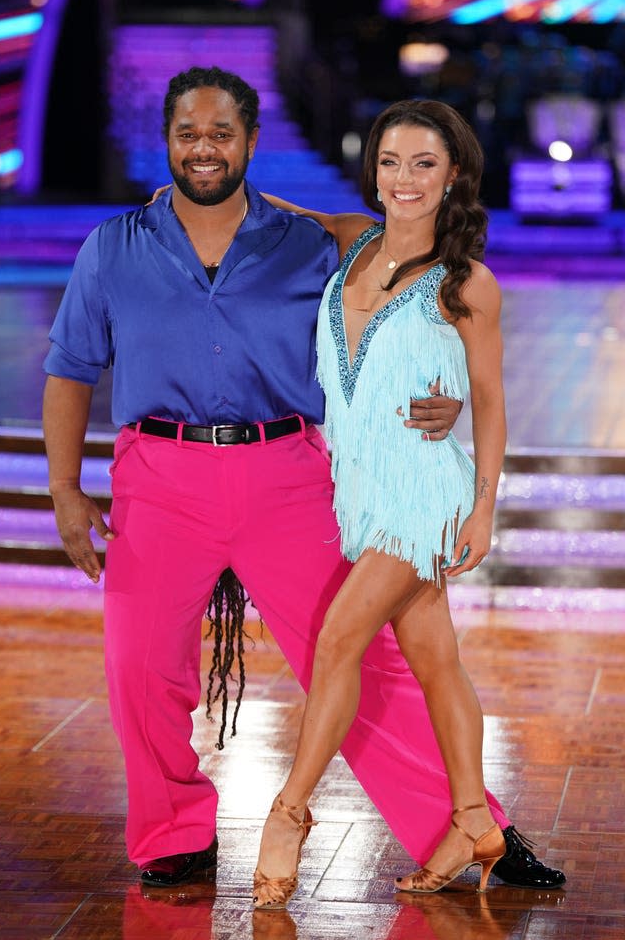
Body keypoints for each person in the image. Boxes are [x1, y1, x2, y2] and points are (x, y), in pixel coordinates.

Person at [42, 65, 564, 892]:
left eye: (222, 132)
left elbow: (425, 274)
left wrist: (449, 388)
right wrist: (65, 489)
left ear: (251, 140)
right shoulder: (113, 246)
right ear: (167, 142)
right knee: (136, 668)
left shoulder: (315, 240)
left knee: (367, 661)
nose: (204, 148)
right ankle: (174, 829)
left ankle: (474, 823)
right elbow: (70, 369)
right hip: (158, 475)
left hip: (286, 472)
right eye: (188, 133)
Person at [251, 99, 557, 908]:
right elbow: (274, 207)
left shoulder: (467, 285)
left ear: (454, 174)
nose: (404, 180)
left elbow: (488, 400)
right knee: (436, 661)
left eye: (424, 163)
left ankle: (289, 810)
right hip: (363, 492)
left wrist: (484, 507)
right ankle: (471, 822)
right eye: (391, 161)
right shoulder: (352, 241)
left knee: (340, 637)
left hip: (425, 495)